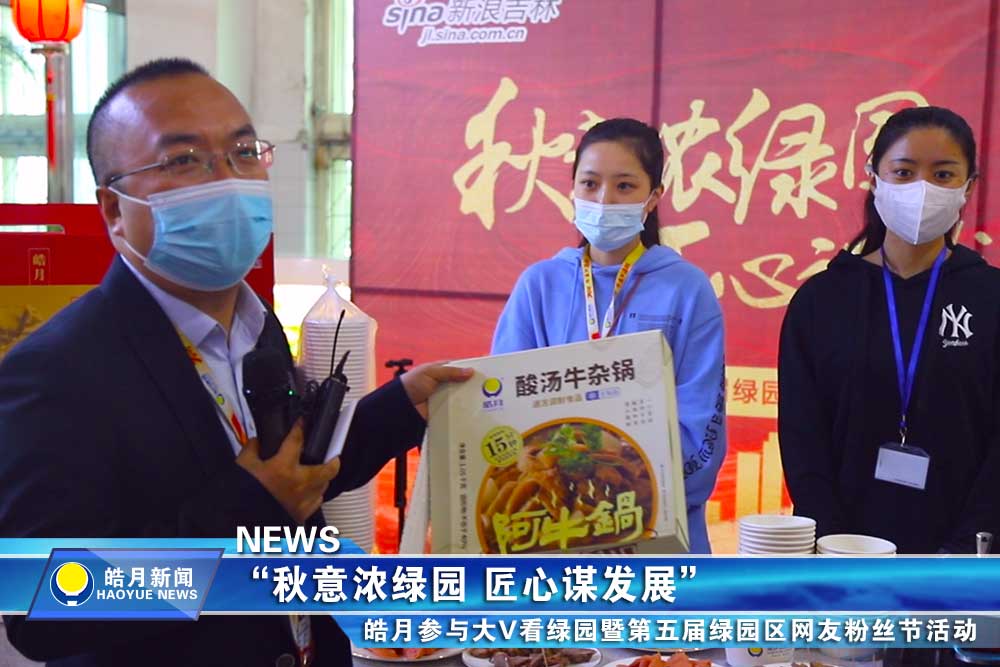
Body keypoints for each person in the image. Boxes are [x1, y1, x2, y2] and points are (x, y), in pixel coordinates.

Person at [0, 58, 470, 666]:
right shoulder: (53, 373)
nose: (227, 179)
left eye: (243, 152)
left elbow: (294, 473)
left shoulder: (256, 324)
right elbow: (45, 609)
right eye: (183, 159)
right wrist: (247, 510)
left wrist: (403, 406)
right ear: (114, 209)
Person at [491, 118, 727, 554]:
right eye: (590, 183)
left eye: (624, 186)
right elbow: (505, 408)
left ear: (653, 197)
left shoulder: (687, 289)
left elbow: (701, 429)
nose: (604, 200)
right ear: (572, 190)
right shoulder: (539, 285)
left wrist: (631, 490)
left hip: (656, 532)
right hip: (552, 530)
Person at [778, 106, 1000, 554]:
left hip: (967, 560)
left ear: (969, 187)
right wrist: (835, 543)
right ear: (874, 178)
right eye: (904, 172)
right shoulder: (821, 300)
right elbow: (803, 440)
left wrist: (966, 549)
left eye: (943, 174)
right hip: (842, 554)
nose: (922, 188)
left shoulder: (990, 296)